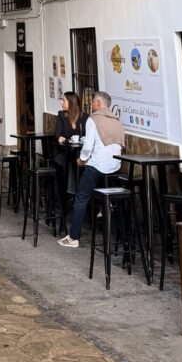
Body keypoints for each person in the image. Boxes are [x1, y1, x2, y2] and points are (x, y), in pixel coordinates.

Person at [57, 91, 124, 248]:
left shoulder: (93, 120)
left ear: (99, 104)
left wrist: (81, 160)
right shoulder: (117, 121)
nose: (92, 105)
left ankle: (73, 237)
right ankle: (107, 207)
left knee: (81, 196)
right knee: (98, 188)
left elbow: (87, 147)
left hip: (98, 165)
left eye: (93, 102)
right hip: (115, 167)